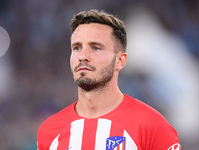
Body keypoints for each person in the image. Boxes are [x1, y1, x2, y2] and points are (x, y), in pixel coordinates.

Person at [37, 9, 181, 150]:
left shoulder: (150, 125)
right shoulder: (49, 131)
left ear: (120, 61)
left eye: (96, 48)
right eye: (77, 48)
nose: (83, 56)